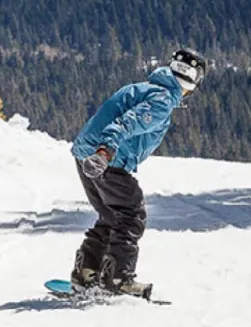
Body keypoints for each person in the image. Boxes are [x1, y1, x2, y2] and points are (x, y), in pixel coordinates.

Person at [69, 49, 207, 299]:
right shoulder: (162, 99)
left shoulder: (144, 88)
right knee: (132, 215)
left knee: (112, 215)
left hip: (86, 156)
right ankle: (118, 279)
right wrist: (104, 153)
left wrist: (97, 154)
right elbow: (124, 123)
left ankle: (87, 271)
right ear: (194, 82)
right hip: (106, 160)